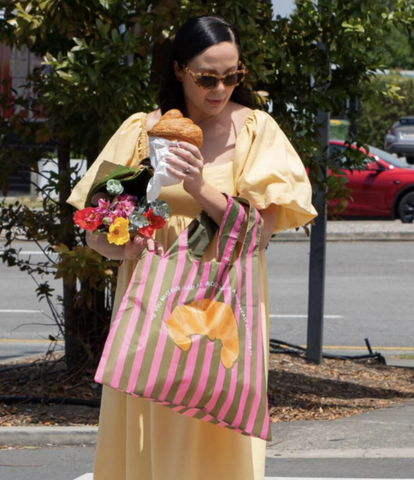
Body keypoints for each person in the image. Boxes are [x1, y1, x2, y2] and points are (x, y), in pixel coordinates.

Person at [67, 14, 317, 480]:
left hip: (225, 301)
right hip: (151, 297)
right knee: (149, 411)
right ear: (180, 69)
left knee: (217, 411)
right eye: (207, 77)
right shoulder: (142, 133)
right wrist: (123, 249)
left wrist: (200, 186)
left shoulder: (255, 132)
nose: (220, 89)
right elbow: (94, 228)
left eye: (232, 76)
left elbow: (258, 235)